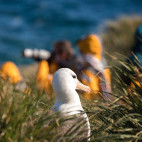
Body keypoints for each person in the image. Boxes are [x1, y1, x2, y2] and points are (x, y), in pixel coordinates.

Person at [76, 34, 112, 101]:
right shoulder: (101, 62)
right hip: (101, 99)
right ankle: (106, 100)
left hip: (90, 99)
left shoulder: (86, 64)